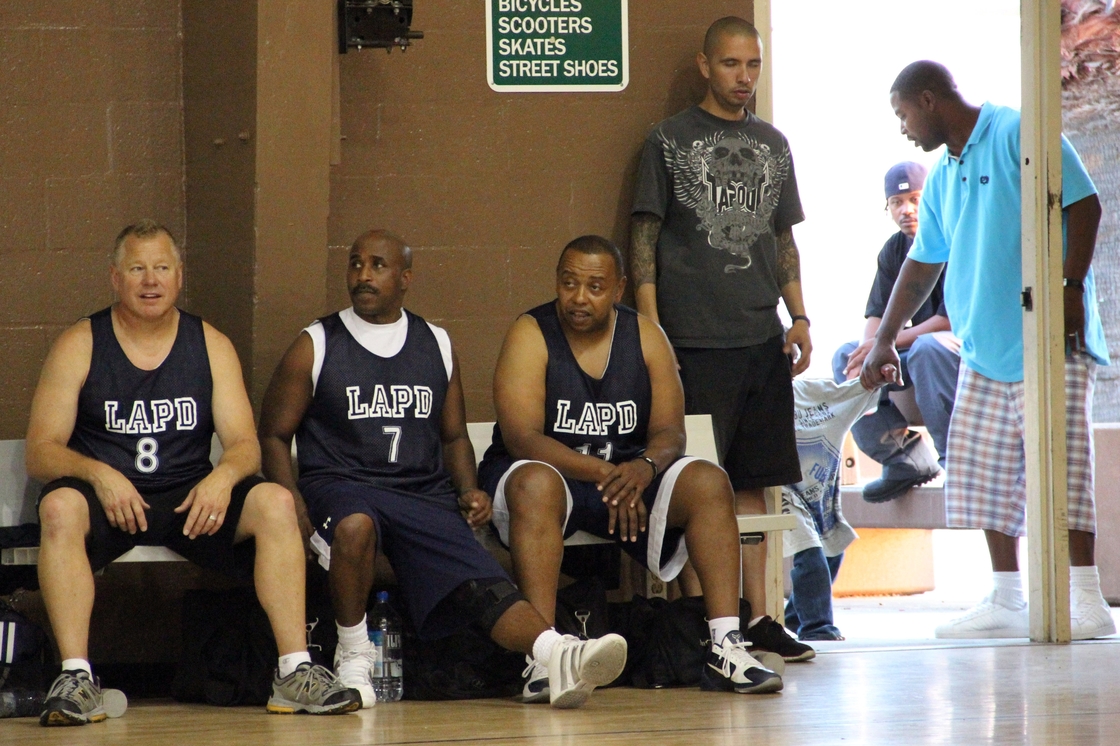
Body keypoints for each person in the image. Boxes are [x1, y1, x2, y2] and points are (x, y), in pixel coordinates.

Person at [258, 229, 626, 710]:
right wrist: (294, 504)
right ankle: (353, 658)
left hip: (420, 492)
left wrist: (469, 487)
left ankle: (557, 653)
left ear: (405, 277)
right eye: (355, 264)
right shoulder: (317, 342)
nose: (363, 275)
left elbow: (453, 436)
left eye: (378, 265)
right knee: (355, 527)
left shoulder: (434, 342)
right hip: (341, 486)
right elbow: (272, 434)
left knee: (482, 579)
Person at [25, 221, 362, 726]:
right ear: (115, 278)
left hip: (190, 499)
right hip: (113, 500)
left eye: (161, 268)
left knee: (275, 502)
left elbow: (246, 444)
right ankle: (76, 677)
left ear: (179, 277)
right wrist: (97, 474)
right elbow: (41, 451)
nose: (150, 280)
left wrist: (223, 477)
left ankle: (295, 671)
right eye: (137, 268)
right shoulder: (80, 343)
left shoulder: (209, 343)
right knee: (58, 506)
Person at [480, 234, 810, 697]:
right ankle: (541, 657)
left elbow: (670, 432)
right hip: (552, 476)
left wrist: (645, 469)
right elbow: (522, 437)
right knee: (535, 484)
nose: (579, 297)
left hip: (627, 477)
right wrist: (606, 475)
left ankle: (725, 646)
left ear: (618, 289)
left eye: (594, 287)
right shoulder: (530, 332)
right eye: (569, 283)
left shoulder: (645, 336)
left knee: (709, 482)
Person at [862, 61, 1115, 640]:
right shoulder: (943, 174)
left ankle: (1086, 599)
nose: (903, 129)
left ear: (928, 100)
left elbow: (1085, 204)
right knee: (982, 473)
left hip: (1049, 340)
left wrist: (1070, 288)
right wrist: (881, 340)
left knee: (1064, 467)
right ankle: (1006, 597)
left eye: (903, 115)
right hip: (982, 349)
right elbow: (922, 263)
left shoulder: (1015, 132)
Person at [630, 16, 811, 633]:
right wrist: (653, 334)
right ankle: (705, 620)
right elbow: (644, 239)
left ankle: (761, 618)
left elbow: (781, 237)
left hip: (761, 339)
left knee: (757, 487)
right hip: (692, 344)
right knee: (696, 482)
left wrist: (800, 315)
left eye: (753, 65)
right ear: (706, 66)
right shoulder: (668, 140)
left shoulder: (774, 143)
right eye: (732, 64)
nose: (744, 77)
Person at [833, 161, 961, 503]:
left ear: (933, 199)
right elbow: (877, 314)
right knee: (847, 355)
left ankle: (959, 467)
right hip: (918, 352)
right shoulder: (893, 249)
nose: (906, 210)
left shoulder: (954, 238)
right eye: (896, 203)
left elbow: (948, 322)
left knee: (927, 348)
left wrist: (883, 343)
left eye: (916, 200)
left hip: (960, 353)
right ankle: (904, 458)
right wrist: (866, 352)